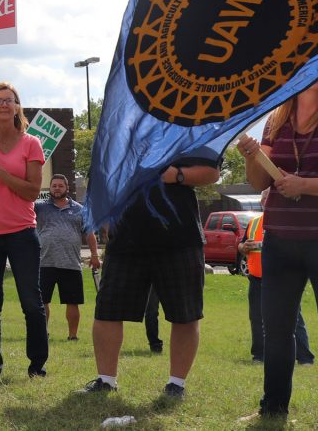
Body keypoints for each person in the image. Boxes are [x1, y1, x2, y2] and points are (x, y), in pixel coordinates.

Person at [236, 69, 318, 431]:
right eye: (311, 66)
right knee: (276, 330)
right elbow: (259, 181)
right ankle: (273, 408)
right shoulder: (276, 122)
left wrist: (304, 185)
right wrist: (251, 156)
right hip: (280, 239)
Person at [79, 148, 221, 399]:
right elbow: (100, 179)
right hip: (126, 239)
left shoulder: (186, 126)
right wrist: (105, 220)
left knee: (185, 315)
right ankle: (106, 380)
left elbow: (212, 173)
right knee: (107, 311)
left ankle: (176, 384)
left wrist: (176, 175)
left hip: (180, 238)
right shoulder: (123, 130)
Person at [0, 82, 48, 378]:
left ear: (17, 107)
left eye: (9, 100)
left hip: (22, 233)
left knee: (31, 301)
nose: (4, 104)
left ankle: (37, 365)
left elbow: (30, 192)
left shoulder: (31, 144)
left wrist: (0, 171)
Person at [239, 192, 315, 365]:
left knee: (294, 318)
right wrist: (244, 246)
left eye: (270, 198)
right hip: (257, 279)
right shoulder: (254, 222)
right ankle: (260, 355)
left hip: (283, 278)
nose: (267, 202)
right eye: (265, 199)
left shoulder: (288, 221)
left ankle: (304, 358)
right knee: (257, 318)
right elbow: (242, 245)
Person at [34, 174, 100, 341]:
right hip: (44, 262)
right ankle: (43, 333)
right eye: (54, 186)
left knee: (73, 302)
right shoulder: (39, 208)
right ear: (50, 189)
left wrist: (94, 255)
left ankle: (72, 335)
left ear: (67, 188)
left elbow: (90, 234)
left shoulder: (80, 209)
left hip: (71, 263)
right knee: (42, 301)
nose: (57, 188)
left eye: (60, 186)